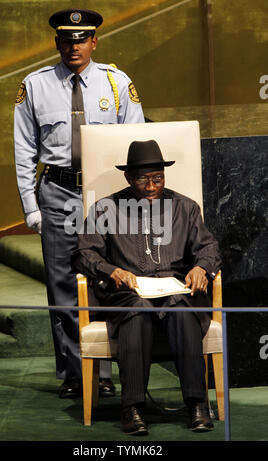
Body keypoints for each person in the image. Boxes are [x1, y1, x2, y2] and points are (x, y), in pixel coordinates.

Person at [14, 8, 145, 399]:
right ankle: (76, 372)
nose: (74, 46)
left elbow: (135, 143)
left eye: (81, 39)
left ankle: (106, 371)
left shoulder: (116, 82)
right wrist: (30, 205)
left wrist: (134, 203)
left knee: (110, 279)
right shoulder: (35, 85)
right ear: (57, 43)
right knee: (63, 285)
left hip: (106, 193)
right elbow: (23, 150)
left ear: (94, 42)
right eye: (67, 40)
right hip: (57, 192)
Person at [72, 139, 222, 435]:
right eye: (143, 179)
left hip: (175, 290)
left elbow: (209, 247)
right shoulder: (106, 209)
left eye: (158, 178)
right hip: (128, 293)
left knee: (181, 307)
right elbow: (83, 253)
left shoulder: (185, 208)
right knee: (137, 310)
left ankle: (197, 405)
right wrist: (111, 270)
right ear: (129, 178)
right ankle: (133, 408)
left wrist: (201, 267)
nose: (152, 186)